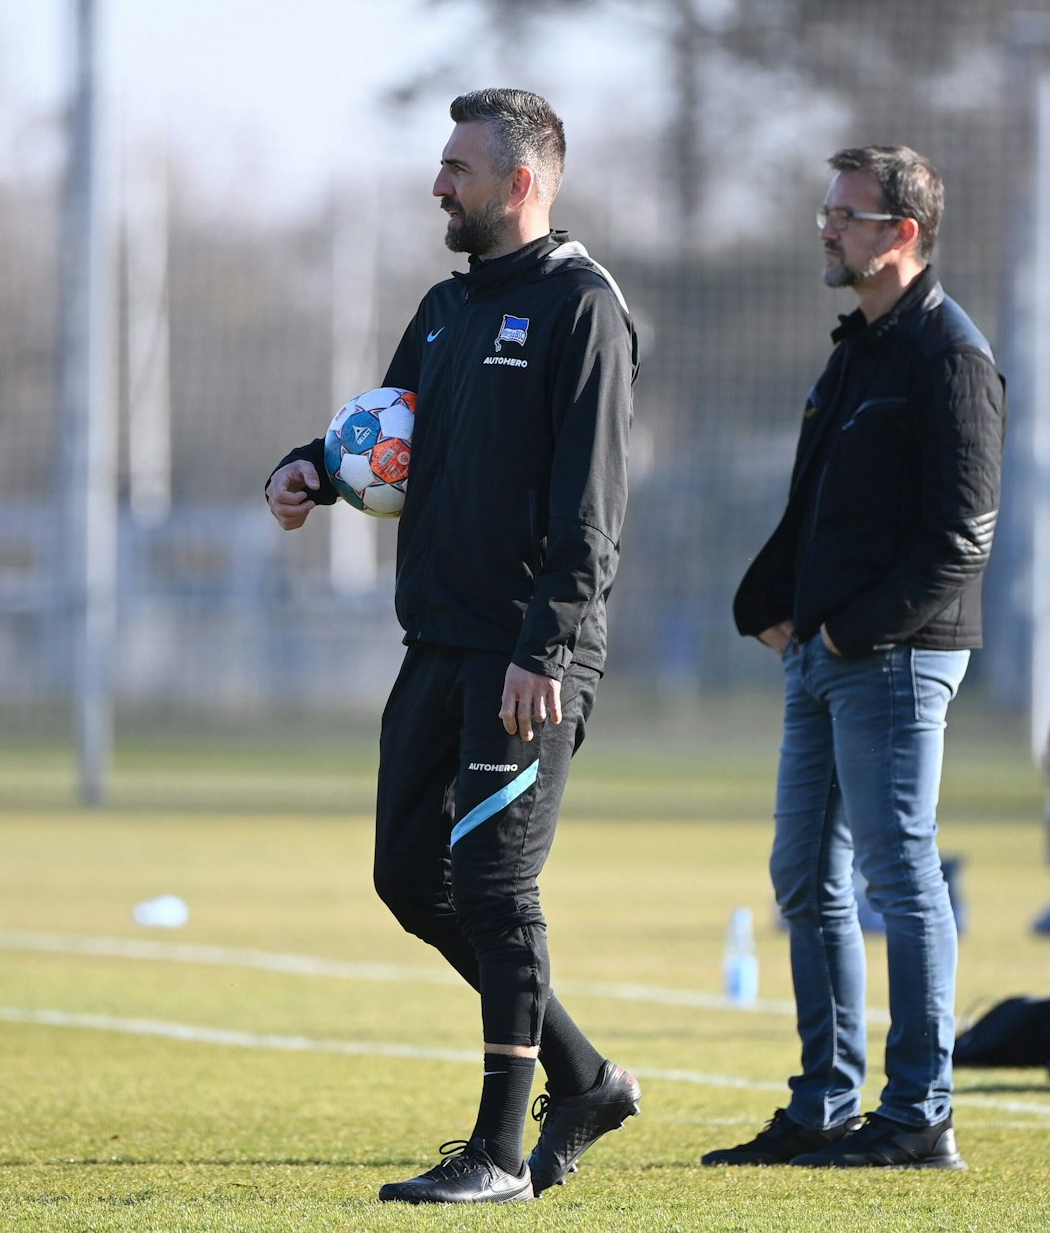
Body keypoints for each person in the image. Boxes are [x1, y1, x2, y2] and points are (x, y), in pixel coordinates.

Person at [264, 88, 640, 1205]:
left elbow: (592, 510)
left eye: (457, 168)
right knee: (407, 876)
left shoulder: (582, 308)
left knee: (493, 884)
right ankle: (584, 1080)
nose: (437, 184)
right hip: (435, 640)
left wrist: (547, 646)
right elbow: (387, 436)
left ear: (519, 182)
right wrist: (310, 468)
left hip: (526, 654)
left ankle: (500, 1152)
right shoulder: (444, 307)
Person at [706, 145, 1004, 1171]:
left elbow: (962, 535)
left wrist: (849, 632)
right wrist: (768, 607)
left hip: (894, 657)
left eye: (847, 215)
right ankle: (825, 1106)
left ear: (902, 233)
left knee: (899, 875)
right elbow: (814, 513)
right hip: (825, 659)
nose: (827, 229)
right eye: (826, 212)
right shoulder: (856, 353)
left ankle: (918, 1114)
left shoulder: (948, 355)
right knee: (802, 876)